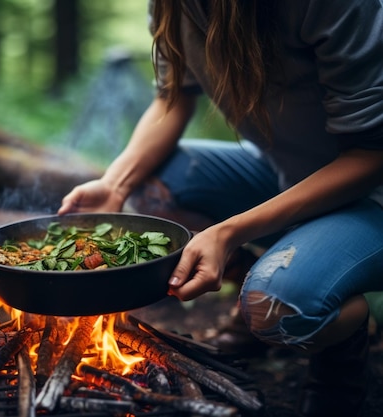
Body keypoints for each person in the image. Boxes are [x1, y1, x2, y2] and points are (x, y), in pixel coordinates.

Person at [57, 1, 383, 416]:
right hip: (284, 172)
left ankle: (336, 347)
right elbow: (172, 99)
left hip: (370, 192)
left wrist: (228, 232)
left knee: (275, 307)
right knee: (152, 187)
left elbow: (372, 155)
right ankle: (265, 280)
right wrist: (115, 183)